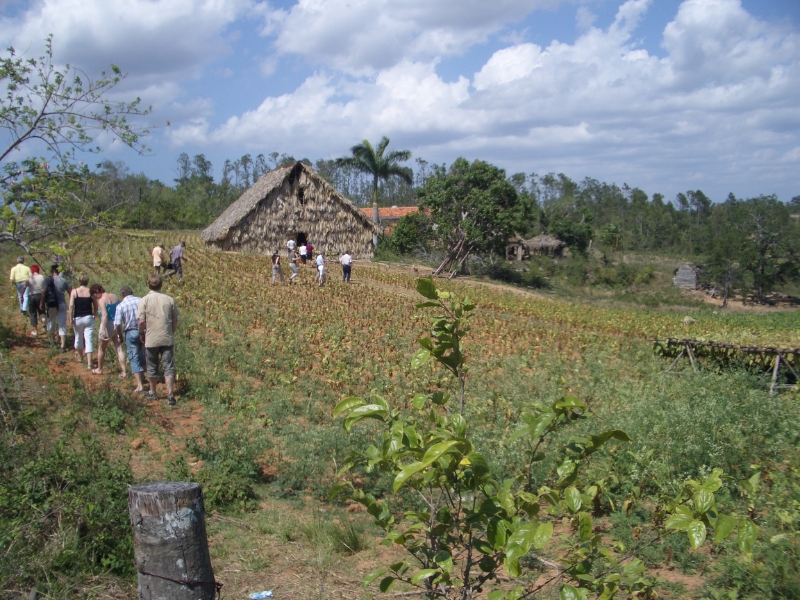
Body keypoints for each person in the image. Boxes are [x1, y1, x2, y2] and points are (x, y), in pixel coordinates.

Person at [137, 274, 179, 405]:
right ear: (161, 285)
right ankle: (170, 394)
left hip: (151, 338)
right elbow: (175, 319)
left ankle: (153, 392)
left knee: (152, 366)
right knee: (168, 367)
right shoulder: (169, 299)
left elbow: (141, 322)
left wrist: (141, 333)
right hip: (167, 337)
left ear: (148, 285)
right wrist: (171, 332)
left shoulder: (144, 300)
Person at [90, 284, 126, 377]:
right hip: (117, 324)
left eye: (94, 295)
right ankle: (124, 371)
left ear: (96, 292)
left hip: (108, 325)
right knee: (119, 348)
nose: (95, 298)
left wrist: (102, 328)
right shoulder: (114, 296)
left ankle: (99, 369)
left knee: (101, 348)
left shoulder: (102, 300)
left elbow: (105, 315)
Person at [114, 286, 145, 393]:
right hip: (143, 330)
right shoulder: (141, 300)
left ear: (122, 295)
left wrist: (120, 335)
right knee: (144, 355)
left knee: (134, 358)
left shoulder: (121, 306)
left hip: (130, 332)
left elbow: (117, 324)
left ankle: (140, 385)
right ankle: (144, 377)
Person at [42, 265, 71, 351]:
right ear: (59, 271)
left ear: (52, 271)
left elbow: (43, 291)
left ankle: (52, 341)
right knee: (62, 324)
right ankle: (63, 345)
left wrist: (41, 303)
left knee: (51, 321)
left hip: (52, 304)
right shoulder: (63, 280)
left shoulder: (47, 280)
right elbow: (70, 292)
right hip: (62, 304)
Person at [68, 275, 95, 369]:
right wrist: (95, 314)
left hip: (78, 317)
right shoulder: (90, 291)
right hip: (88, 317)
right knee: (89, 339)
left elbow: (71, 306)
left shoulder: (74, 291)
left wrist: (70, 318)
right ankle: (89, 363)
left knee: (78, 337)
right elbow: (95, 304)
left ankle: (80, 356)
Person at [22, 265, 47, 336]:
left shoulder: (29, 278)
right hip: (40, 296)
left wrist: (21, 295)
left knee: (33, 313)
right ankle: (44, 322)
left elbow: (24, 287)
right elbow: (45, 287)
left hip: (32, 296)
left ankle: (35, 331)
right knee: (41, 311)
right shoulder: (42, 277)